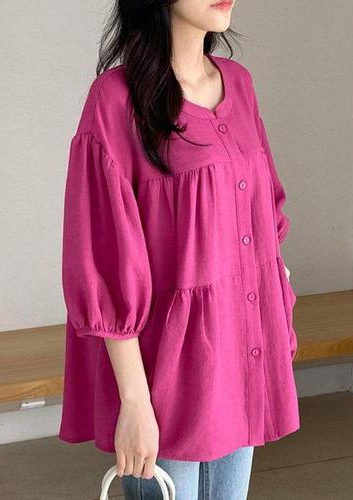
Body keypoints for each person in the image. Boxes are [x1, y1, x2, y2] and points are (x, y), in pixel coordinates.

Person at [58, 0, 300, 498]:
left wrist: (279, 305)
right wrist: (134, 402)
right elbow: (104, 260)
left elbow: (263, 218)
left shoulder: (239, 83)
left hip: (242, 348)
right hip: (166, 371)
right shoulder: (116, 101)